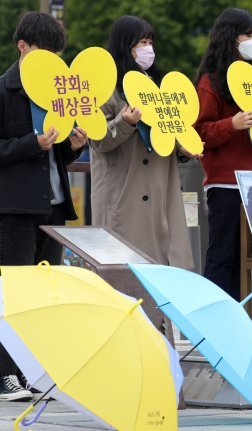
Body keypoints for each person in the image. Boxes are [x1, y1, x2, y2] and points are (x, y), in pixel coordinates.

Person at [0, 12, 88, 401]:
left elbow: (54, 160)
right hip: (14, 211)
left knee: (42, 300)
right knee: (12, 296)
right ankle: (5, 376)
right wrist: (31, 144)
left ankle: (33, 372)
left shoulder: (57, 92)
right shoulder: (4, 91)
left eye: (58, 54)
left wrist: (72, 149)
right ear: (23, 48)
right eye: (45, 52)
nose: (54, 62)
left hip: (52, 208)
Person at [90, 16, 195, 269]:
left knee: (163, 274)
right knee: (124, 275)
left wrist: (181, 148)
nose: (149, 49)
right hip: (124, 197)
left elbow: (163, 136)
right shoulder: (105, 88)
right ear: (125, 46)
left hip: (160, 195)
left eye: (150, 42)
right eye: (142, 42)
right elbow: (98, 139)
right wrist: (124, 121)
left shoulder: (156, 87)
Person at [194, 8, 252, 301]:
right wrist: (231, 125)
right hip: (226, 184)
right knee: (223, 255)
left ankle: (241, 321)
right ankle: (216, 320)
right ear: (231, 37)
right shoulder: (211, 81)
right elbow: (198, 133)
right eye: (249, 34)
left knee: (246, 260)